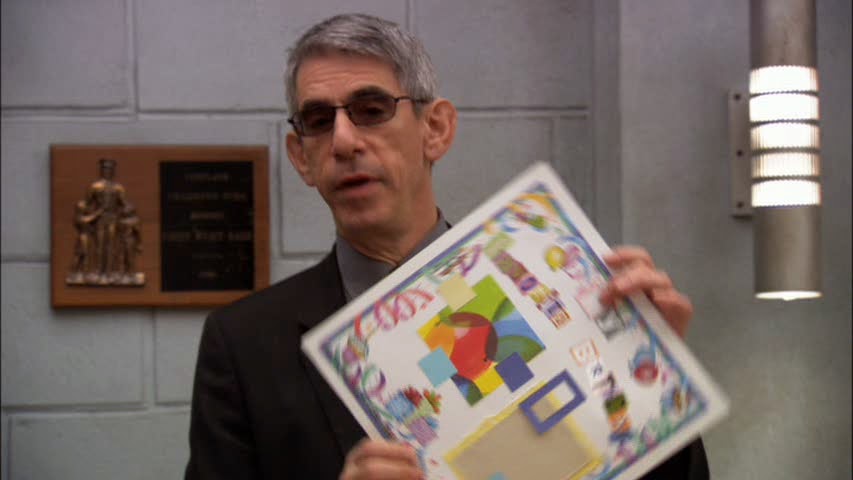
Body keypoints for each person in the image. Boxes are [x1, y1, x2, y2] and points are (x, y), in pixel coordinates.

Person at [186, 13, 708, 479]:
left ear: (435, 129)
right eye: (319, 121)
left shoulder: (572, 297)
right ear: (302, 156)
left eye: (371, 109)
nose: (343, 141)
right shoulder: (243, 345)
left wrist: (658, 385)